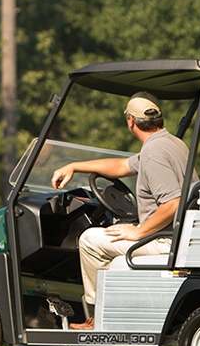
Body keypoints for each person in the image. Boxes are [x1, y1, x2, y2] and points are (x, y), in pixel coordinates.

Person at [49, 90, 189, 329]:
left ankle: (99, 317)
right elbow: (122, 165)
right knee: (110, 237)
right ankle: (110, 310)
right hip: (175, 236)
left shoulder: (154, 152)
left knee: (90, 240)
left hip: (164, 239)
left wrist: (139, 232)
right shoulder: (171, 144)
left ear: (131, 121)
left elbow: (173, 204)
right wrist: (74, 166)